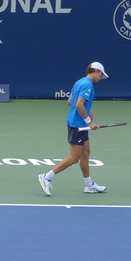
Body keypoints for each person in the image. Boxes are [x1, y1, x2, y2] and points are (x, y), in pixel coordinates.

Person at [38, 62, 109, 196]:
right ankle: (46, 177)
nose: (101, 78)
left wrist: (89, 111)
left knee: (86, 153)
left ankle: (89, 185)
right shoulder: (87, 85)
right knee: (74, 158)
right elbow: (78, 104)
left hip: (77, 124)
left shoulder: (80, 82)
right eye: (100, 74)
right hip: (78, 126)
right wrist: (89, 122)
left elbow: (70, 101)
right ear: (95, 70)